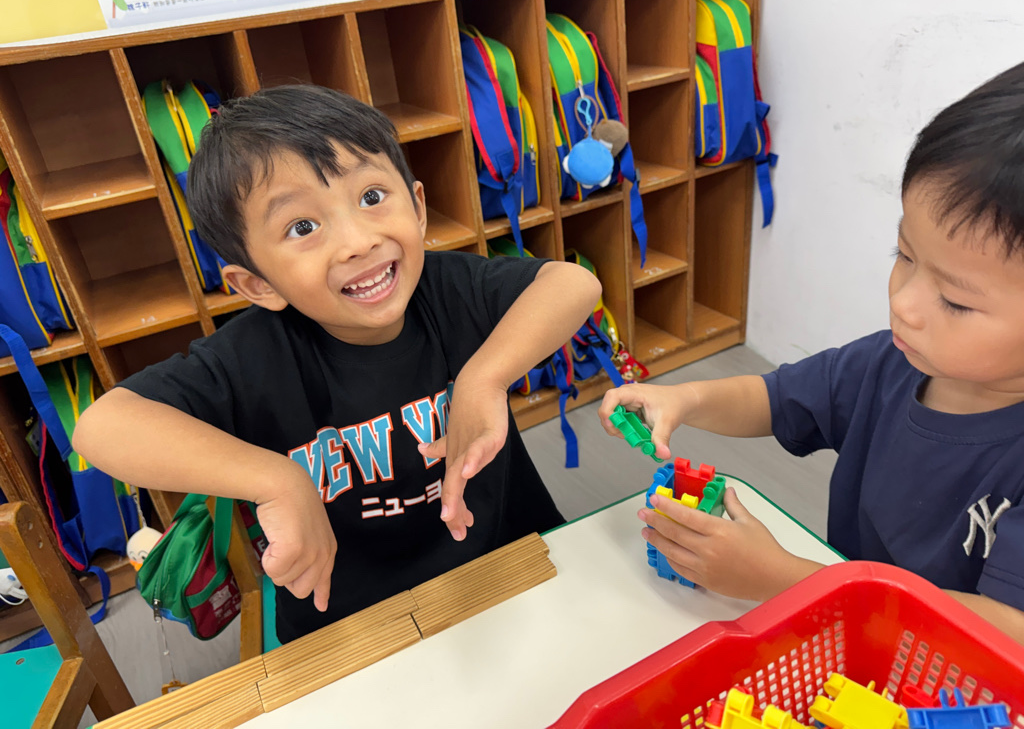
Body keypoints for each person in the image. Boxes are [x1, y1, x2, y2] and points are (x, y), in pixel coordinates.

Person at [73, 84, 602, 644]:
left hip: (508, 568)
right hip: (352, 625)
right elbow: (100, 427)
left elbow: (573, 283)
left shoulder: (452, 288)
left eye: (371, 196)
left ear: (418, 207)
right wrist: (277, 481)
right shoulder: (252, 355)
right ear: (257, 284)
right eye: (302, 227)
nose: (357, 241)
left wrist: (483, 379)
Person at [599, 61, 1024, 643]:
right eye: (903, 256)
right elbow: (775, 399)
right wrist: (685, 399)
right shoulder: (890, 364)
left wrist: (784, 579)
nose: (903, 303)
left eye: (954, 300)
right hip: (848, 637)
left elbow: (1009, 633)